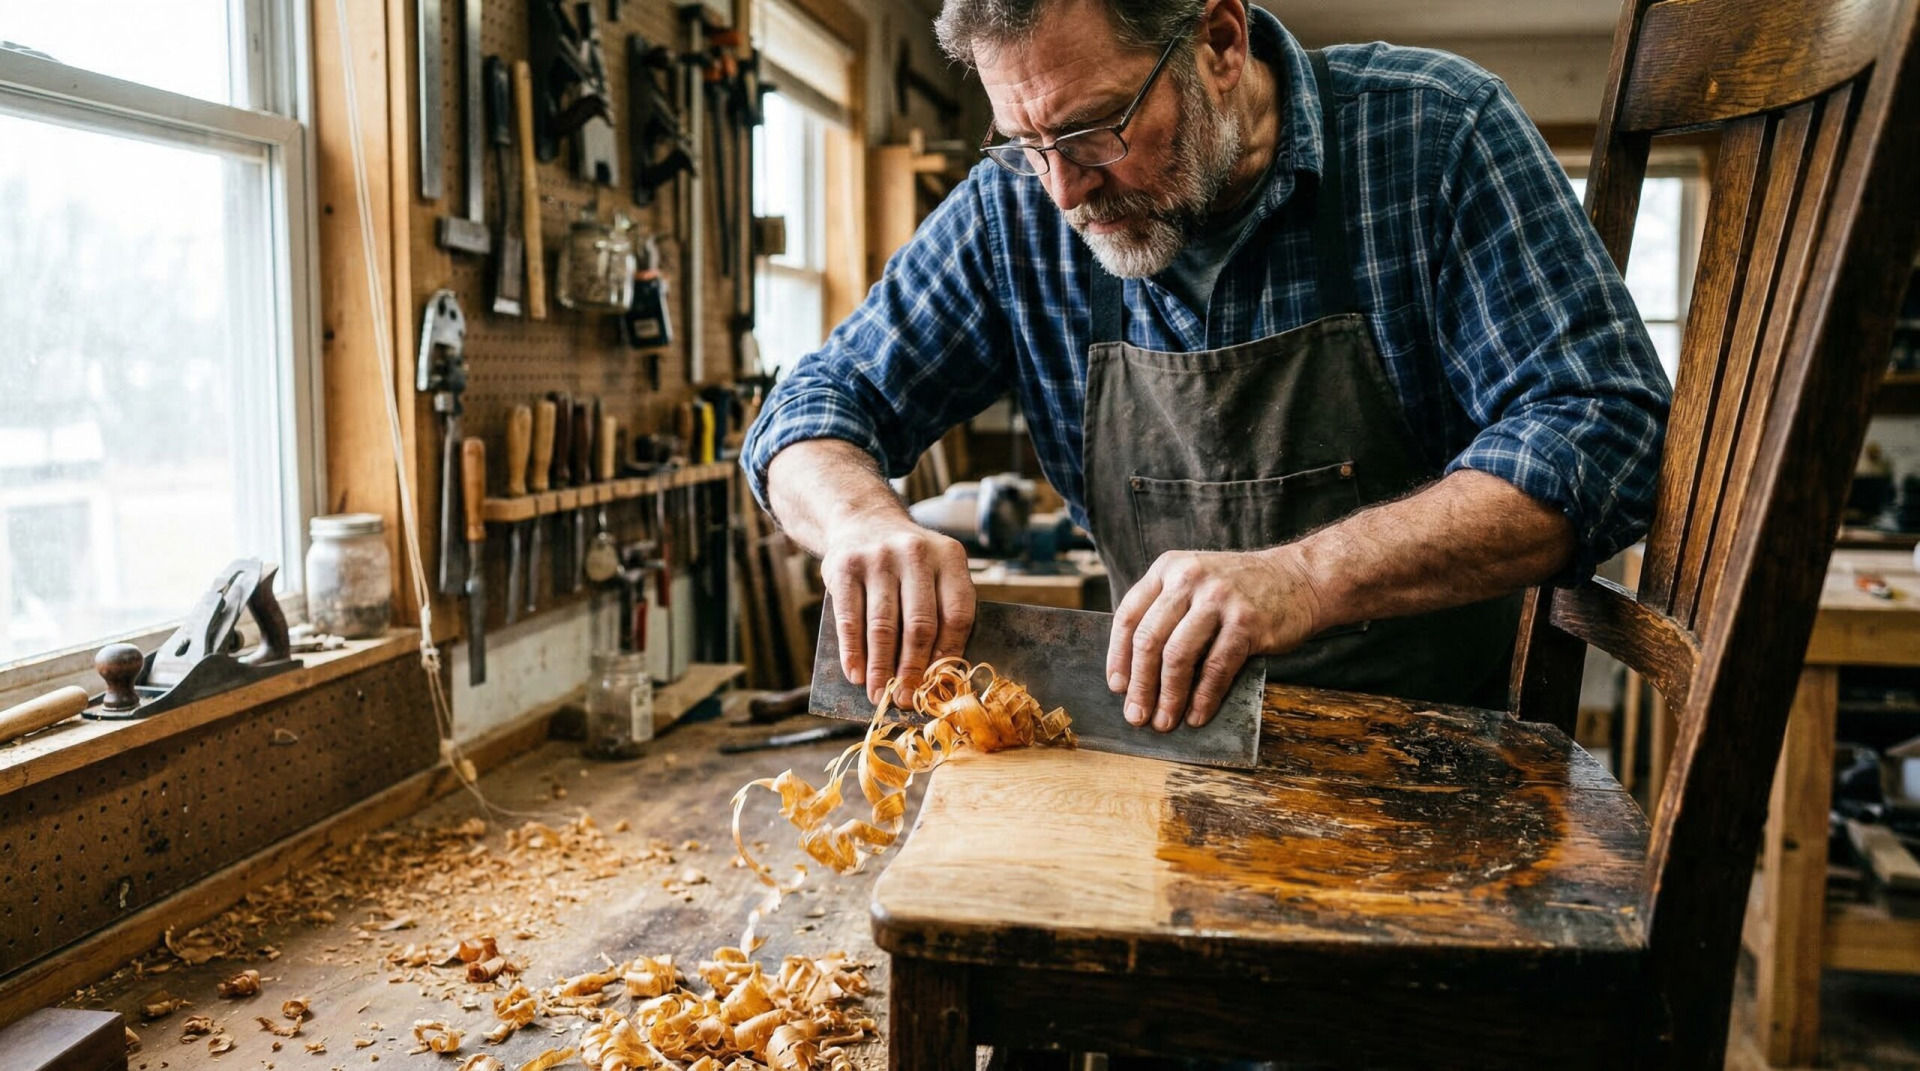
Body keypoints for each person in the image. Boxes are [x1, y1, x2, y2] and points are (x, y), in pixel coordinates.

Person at [741, 0, 1670, 732]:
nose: (1064, 191)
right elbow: (810, 409)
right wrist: (860, 522)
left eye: (1096, 128)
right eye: (1026, 145)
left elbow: (1606, 430)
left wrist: (1306, 577)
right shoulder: (1014, 212)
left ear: (1221, 39)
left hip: (1435, 762)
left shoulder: (1433, 135)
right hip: (1156, 753)